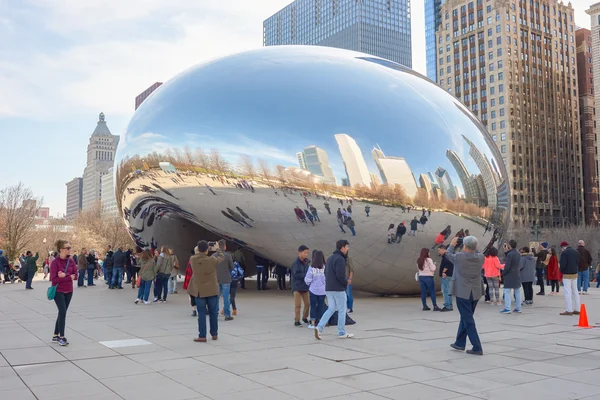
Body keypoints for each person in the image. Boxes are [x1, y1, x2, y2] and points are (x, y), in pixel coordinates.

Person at [446, 236, 484, 355]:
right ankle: (460, 342)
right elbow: (477, 252)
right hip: (476, 292)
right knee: (466, 317)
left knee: (468, 320)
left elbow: (448, 253)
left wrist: (452, 244)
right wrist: (472, 245)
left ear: (465, 246)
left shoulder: (459, 257)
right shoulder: (481, 258)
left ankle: (477, 346)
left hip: (463, 292)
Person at [314, 240, 354, 340]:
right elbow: (340, 275)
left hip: (329, 288)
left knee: (331, 308)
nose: (348, 249)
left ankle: (319, 328)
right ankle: (341, 332)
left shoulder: (330, 258)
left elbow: (325, 273)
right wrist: (345, 283)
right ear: (342, 248)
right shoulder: (340, 259)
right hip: (338, 289)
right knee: (342, 310)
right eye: (347, 247)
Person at [188, 240, 225, 342]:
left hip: (199, 291)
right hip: (212, 290)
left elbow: (197, 253)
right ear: (207, 250)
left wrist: (201, 249)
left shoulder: (193, 259)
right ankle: (214, 334)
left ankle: (202, 335)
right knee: (213, 313)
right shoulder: (212, 260)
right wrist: (217, 248)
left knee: (201, 314)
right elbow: (222, 257)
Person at [50, 240, 78, 346]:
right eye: (68, 248)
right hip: (58, 291)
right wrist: (68, 276)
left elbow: (76, 275)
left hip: (69, 290)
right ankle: (61, 337)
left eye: (70, 247)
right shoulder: (55, 263)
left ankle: (55, 335)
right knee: (62, 312)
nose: (70, 249)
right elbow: (54, 279)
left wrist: (66, 276)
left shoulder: (71, 261)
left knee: (62, 312)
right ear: (61, 249)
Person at [304, 250, 326, 329]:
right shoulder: (325, 268)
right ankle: (319, 322)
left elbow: (307, 279)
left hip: (313, 290)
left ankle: (312, 323)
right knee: (321, 306)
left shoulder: (311, 268)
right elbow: (326, 280)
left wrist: (310, 285)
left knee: (313, 306)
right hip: (322, 290)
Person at [559, 241, 581, 316]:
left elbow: (563, 264)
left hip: (567, 274)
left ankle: (569, 310)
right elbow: (578, 262)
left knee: (567, 292)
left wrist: (562, 270)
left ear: (563, 247)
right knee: (575, 291)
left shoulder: (565, 253)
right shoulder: (576, 252)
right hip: (575, 273)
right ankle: (577, 309)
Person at [500, 240, 522, 314]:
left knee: (507, 291)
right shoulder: (518, 253)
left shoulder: (510, 254)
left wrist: (504, 273)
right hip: (516, 273)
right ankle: (518, 308)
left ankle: (507, 308)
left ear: (509, 245)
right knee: (517, 291)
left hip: (509, 274)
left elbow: (508, 265)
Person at [292, 245, 311, 327]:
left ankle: (304, 317)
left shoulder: (307, 263)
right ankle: (296, 320)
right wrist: (306, 275)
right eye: (304, 253)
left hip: (305, 287)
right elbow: (296, 275)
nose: (306, 255)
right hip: (297, 287)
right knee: (298, 305)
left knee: (307, 304)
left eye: (307, 253)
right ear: (299, 253)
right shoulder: (295, 263)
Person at [216, 239, 234, 321]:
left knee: (216, 297)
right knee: (226, 297)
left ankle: (215, 313)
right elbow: (232, 267)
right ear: (225, 247)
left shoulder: (213, 256)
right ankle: (227, 314)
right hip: (226, 278)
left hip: (216, 279)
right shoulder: (228, 256)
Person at [437, 245, 454, 311]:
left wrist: (444, 272)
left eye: (439, 250)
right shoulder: (448, 255)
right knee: (448, 290)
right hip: (449, 275)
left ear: (443, 249)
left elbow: (447, 264)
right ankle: (450, 305)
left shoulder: (446, 256)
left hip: (446, 275)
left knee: (445, 290)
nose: (438, 252)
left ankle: (447, 305)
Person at [183, 247, 198, 317]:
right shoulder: (205, 260)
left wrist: (187, 284)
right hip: (201, 281)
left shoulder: (191, 261)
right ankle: (204, 309)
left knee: (192, 296)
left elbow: (188, 272)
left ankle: (194, 310)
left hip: (192, 281)